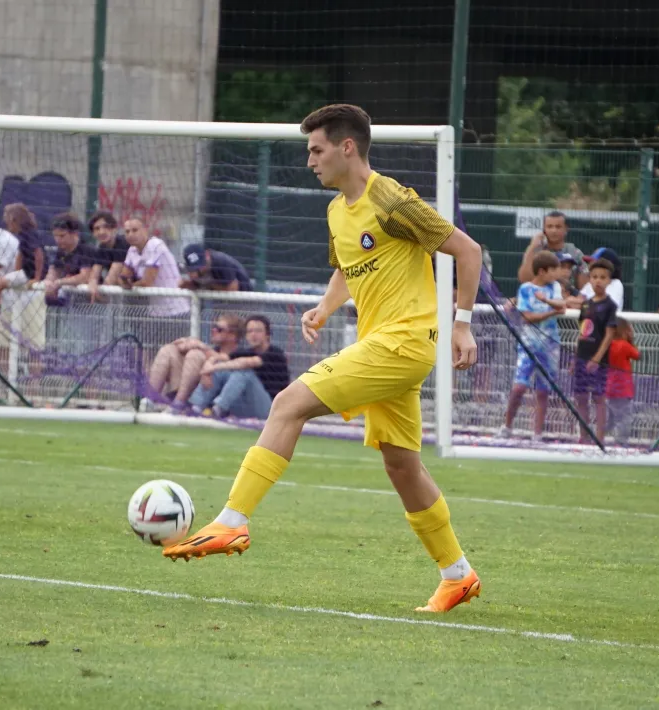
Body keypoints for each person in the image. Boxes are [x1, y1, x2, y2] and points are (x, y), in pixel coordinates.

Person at [163, 104, 485, 614]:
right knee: (402, 464)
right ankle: (458, 575)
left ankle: (232, 520)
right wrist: (323, 308)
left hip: (402, 344)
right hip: (387, 344)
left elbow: (469, 252)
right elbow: (346, 267)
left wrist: (462, 324)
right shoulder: (338, 209)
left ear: (347, 147)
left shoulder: (393, 199)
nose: (310, 160)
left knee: (289, 402)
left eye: (316, 150)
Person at [500, 251, 565, 441]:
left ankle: (537, 433)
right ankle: (507, 426)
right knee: (519, 387)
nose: (558, 274)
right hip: (528, 344)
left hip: (550, 346)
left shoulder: (555, 287)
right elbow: (527, 317)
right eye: (555, 270)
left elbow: (562, 305)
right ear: (543, 271)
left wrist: (547, 302)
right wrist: (551, 312)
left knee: (543, 390)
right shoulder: (526, 289)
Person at [189, 315, 290, 419]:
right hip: (247, 407)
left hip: (271, 410)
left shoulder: (275, 354)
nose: (253, 335)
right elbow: (218, 357)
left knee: (244, 372)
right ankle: (196, 408)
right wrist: (207, 370)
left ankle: (217, 410)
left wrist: (213, 368)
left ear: (267, 335)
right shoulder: (246, 352)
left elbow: (248, 362)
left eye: (258, 331)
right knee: (220, 370)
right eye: (250, 331)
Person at [107, 216, 188, 343]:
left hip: (176, 312)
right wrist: (126, 282)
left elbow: (147, 282)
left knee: (174, 354)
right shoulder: (132, 250)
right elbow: (123, 277)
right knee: (148, 352)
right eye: (127, 232)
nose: (130, 234)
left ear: (145, 230)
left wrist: (130, 284)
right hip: (155, 313)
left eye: (135, 230)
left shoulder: (156, 245)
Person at [0, 203, 46, 342]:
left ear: (15, 220)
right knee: (2, 284)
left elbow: (38, 254)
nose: (6, 225)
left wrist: (37, 277)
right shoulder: (22, 235)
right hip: (25, 273)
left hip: (30, 274)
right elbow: (20, 255)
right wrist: (15, 273)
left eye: (8, 222)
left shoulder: (29, 234)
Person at [148, 313, 243, 410]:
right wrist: (185, 343)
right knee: (168, 350)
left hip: (214, 399)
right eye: (214, 327)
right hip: (191, 390)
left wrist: (201, 347)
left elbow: (227, 361)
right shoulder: (213, 350)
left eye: (219, 329)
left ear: (232, 335)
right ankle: (149, 400)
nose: (213, 330)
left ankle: (177, 405)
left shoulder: (241, 353)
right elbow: (209, 353)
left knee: (195, 354)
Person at [573, 259, 619, 444]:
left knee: (599, 397)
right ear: (589, 280)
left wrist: (597, 358)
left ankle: (599, 437)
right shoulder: (585, 304)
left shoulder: (610, 306)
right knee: (580, 396)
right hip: (582, 357)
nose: (598, 281)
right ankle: (583, 435)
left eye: (602, 277)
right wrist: (575, 358)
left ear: (609, 281)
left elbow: (609, 335)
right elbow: (582, 331)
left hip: (598, 360)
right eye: (594, 277)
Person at [517, 211, 587, 293]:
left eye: (558, 227)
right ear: (544, 229)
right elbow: (524, 280)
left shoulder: (575, 253)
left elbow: (584, 287)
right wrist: (532, 247)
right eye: (549, 227)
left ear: (566, 229)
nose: (554, 230)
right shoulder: (535, 250)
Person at [43, 212, 95, 305]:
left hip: (90, 304)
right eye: (55, 235)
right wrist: (49, 281)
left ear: (75, 233)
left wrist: (59, 282)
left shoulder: (86, 249)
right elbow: (54, 270)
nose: (57, 240)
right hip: (70, 303)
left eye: (62, 236)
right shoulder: (61, 251)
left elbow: (85, 276)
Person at [605, 318, 640, 446]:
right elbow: (637, 355)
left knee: (610, 418)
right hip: (623, 389)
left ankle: (597, 435)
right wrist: (632, 341)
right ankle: (621, 441)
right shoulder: (625, 345)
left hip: (609, 387)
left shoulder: (608, 345)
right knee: (624, 417)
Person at [87, 211, 127, 302]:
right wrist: (92, 285)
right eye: (97, 229)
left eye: (106, 227)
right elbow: (94, 274)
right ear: (93, 233)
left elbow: (113, 276)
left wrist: (101, 294)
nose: (101, 232)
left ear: (114, 228)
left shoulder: (122, 243)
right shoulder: (101, 248)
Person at [180, 244, 252, 291]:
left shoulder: (220, 261)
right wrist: (190, 284)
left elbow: (233, 288)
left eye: (201, 265)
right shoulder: (195, 272)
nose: (200, 269)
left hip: (244, 297)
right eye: (195, 268)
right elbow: (198, 285)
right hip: (219, 301)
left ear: (207, 255)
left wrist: (206, 285)